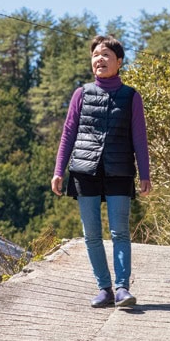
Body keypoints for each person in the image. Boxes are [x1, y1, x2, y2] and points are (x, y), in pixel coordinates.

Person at [51, 34, 152, 308]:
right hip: (85, 170)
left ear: (119, 62)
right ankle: (104, 288)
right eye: (96, 54)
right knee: (92, 234)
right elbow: (68, 133)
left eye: (106, 55)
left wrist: (144, 173)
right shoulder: (81, 94)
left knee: (120, 231)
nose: (100, 59)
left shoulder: (131, 96)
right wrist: (59, 170)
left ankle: (122, 288)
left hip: (119, 169)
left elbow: (139, 137)